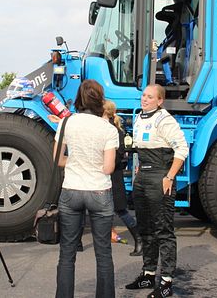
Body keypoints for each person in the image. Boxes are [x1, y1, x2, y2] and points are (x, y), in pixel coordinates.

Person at [55, 79, 118, 298]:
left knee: (67, 254)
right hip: (99, 191)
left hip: (71, 189)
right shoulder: (107, 128)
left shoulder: (66, 123)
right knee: (103, 254)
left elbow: (58, 159)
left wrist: (74, 162)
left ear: (80, 98)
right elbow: (109, 167)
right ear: (100, 99)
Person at [125, 84, 189, 298]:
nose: (145, 99)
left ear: (160, 101)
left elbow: (182, 148)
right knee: (146, 229)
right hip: (143, 176)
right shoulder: (139, 118)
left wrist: (169, 176)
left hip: (160, 176)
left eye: (150, 97)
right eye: (144, 95)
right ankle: (148, 273)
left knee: (164, 230)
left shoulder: (165, 119)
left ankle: (166, 282)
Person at [103, 100, 142, 256]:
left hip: (113, 176)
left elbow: (118, 156)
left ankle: (139, 240)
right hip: (107, 175)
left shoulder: (115, 131)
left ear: (105, 112)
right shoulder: (112, 129)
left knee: (120, 210)